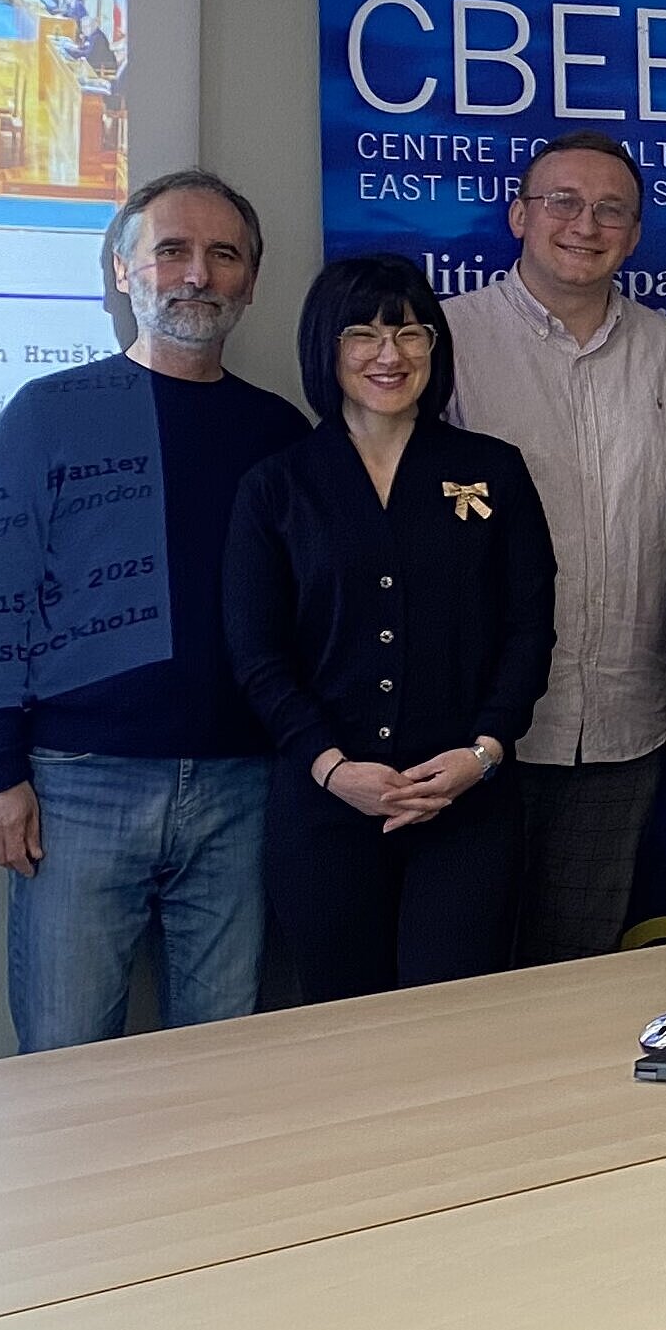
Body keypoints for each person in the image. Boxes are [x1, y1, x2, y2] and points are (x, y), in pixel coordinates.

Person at [0, 169, 308, 1051]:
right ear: (122, 269)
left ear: (250, 280)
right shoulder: (50, 413)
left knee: (222, 1061)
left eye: (223, 255)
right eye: (171, 250)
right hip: (78, 783)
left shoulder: (283, 434)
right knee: (65, 1060)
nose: (197, 274)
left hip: (241, 786)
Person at [222, 258, 556, 1001]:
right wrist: (333, 767)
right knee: (343, 1024)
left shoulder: (491, 470)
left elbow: (529, 628)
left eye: (410, 333)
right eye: (364, 333)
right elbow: (257, 654)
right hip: (325, 806)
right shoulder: (277, 485)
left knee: (452, 1019)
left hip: (466, 800)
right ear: (326, 347)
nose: (389, 354)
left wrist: (484, 750)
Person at [438, 130, 666, 964]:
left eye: (610, 208)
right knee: (464, 963)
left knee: (576, 965)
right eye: (563, 202)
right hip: (477, 724)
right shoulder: (446, 342)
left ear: (634, 233)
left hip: (623, 720)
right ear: (517, 213)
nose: (585, 224)